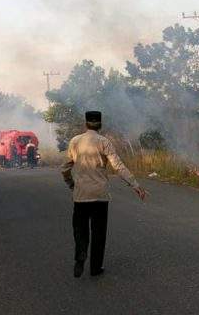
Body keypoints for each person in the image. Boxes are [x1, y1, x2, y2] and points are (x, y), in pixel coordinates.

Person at [61, 110, 147, 278]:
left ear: (85, 124)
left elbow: (64, 168)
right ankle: (95, 268)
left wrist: (71, 184)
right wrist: (135, 185)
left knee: (80, 229)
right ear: (100, 124)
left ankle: (80, 255)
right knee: (99, 232)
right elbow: (118, 166)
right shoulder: (104, 142)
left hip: (80, 195)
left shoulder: (75, 142)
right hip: (100, 195)